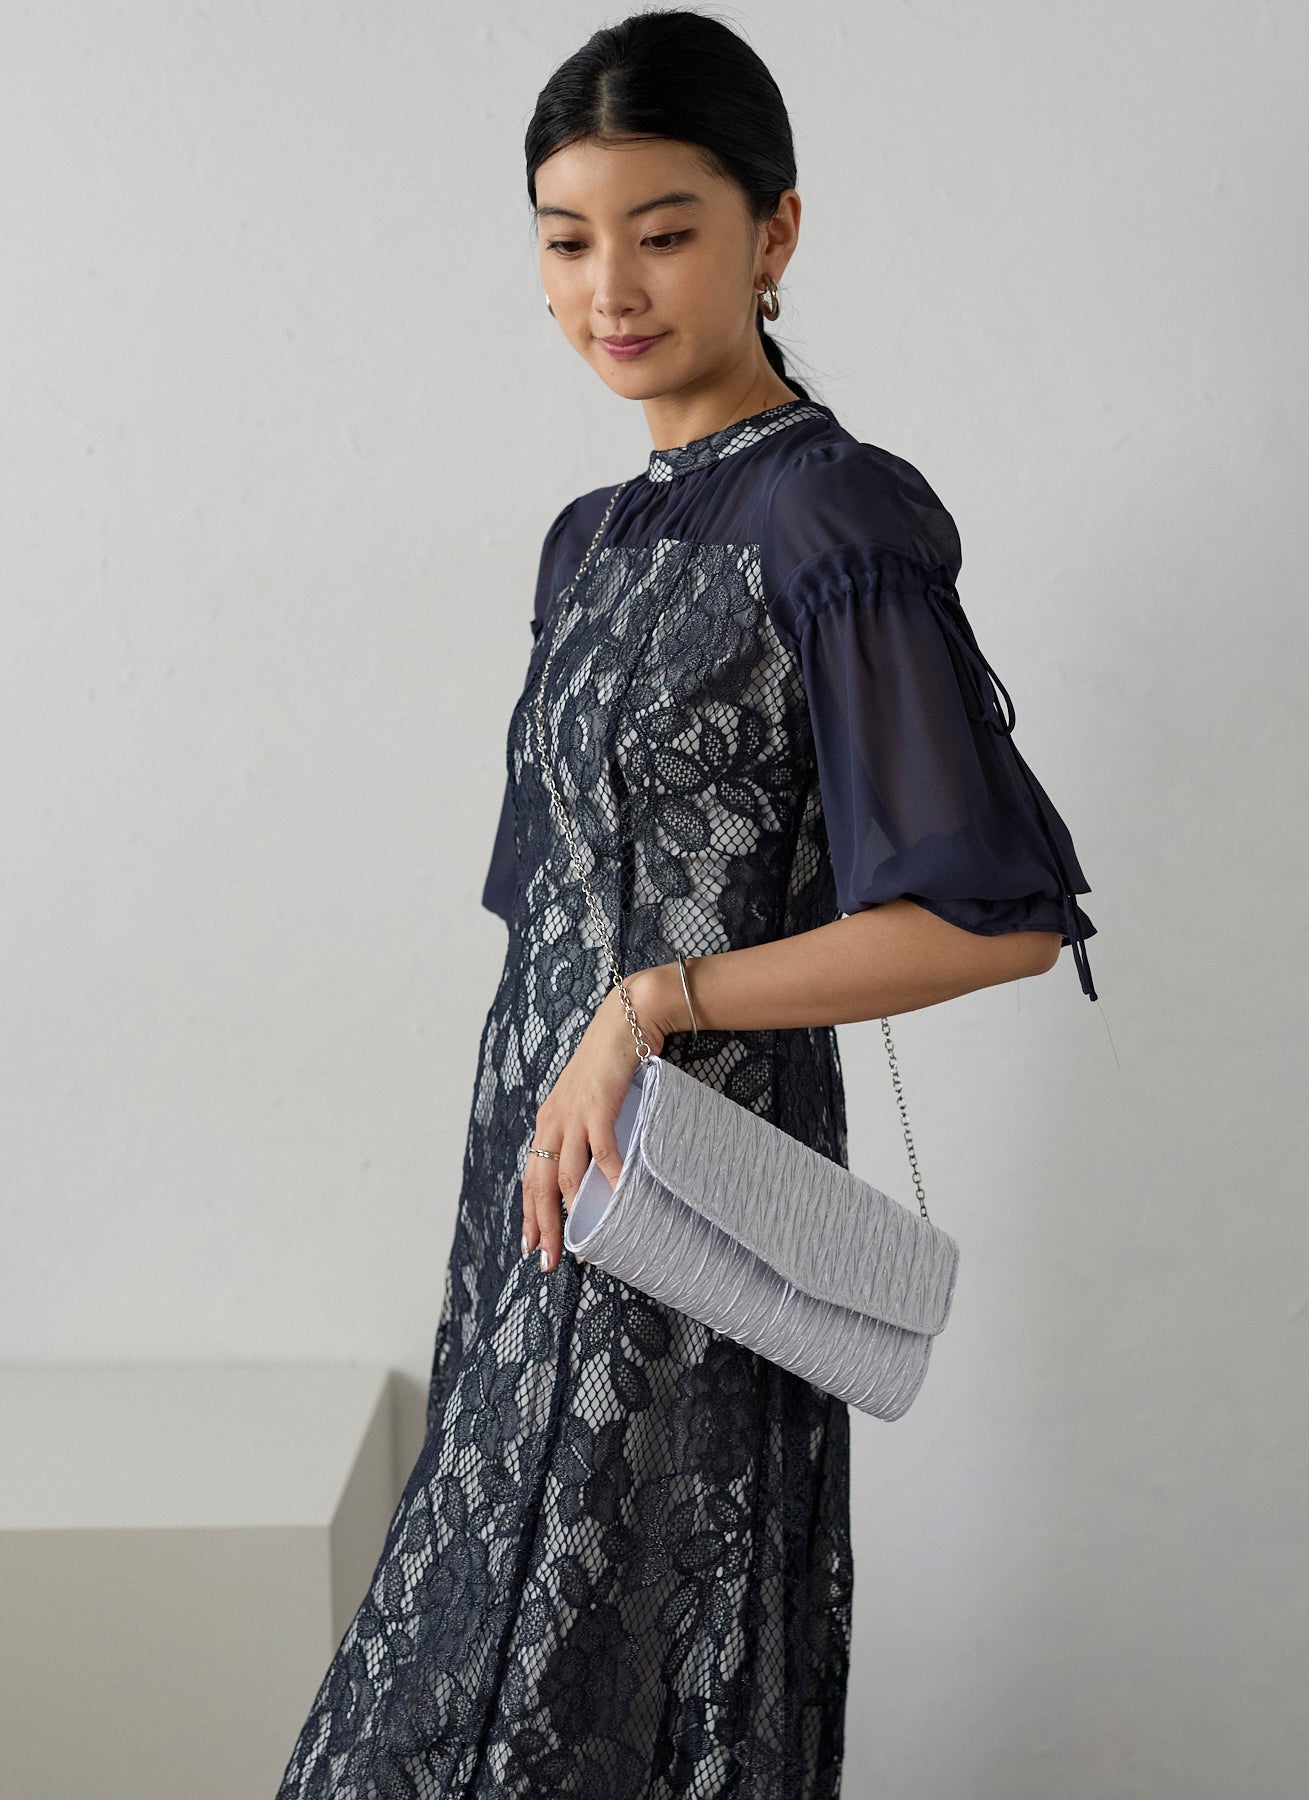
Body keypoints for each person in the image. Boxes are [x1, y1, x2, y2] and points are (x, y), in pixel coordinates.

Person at [275, 10, 1097, 1797]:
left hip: (694, 1217)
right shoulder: (589, 537)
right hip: (536, 1208)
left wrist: (659, 1004)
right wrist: (569, 1070)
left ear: (773, 231)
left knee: (599, 1713)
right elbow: (549, 920)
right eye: (567, 240)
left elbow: (997, 919)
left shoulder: (834, 520)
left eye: (663, 231)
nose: (611, 289)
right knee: (456, 1694)